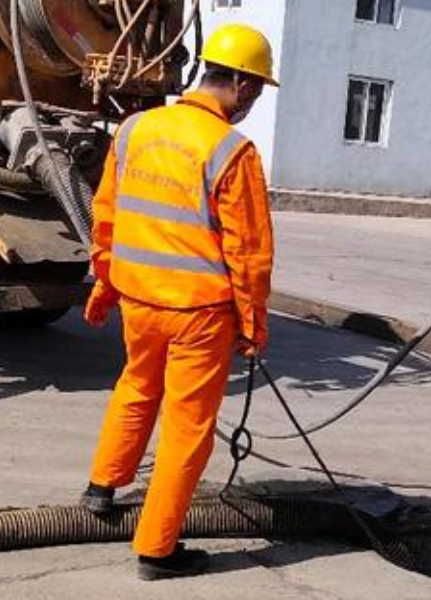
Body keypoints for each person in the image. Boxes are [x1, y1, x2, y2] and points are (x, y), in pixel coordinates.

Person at [79, 23, 278, 581]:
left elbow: (107, 216)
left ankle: (102, 486)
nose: (253, 102)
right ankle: (157, 549)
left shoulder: (137, 127)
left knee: (138, 385)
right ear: (238, 82)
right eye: (256, 90)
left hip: (139, 300)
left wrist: (104, 284)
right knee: (188, 427)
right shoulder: (232, 152)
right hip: (198, 313)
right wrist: (253, 328)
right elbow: (250, 255)